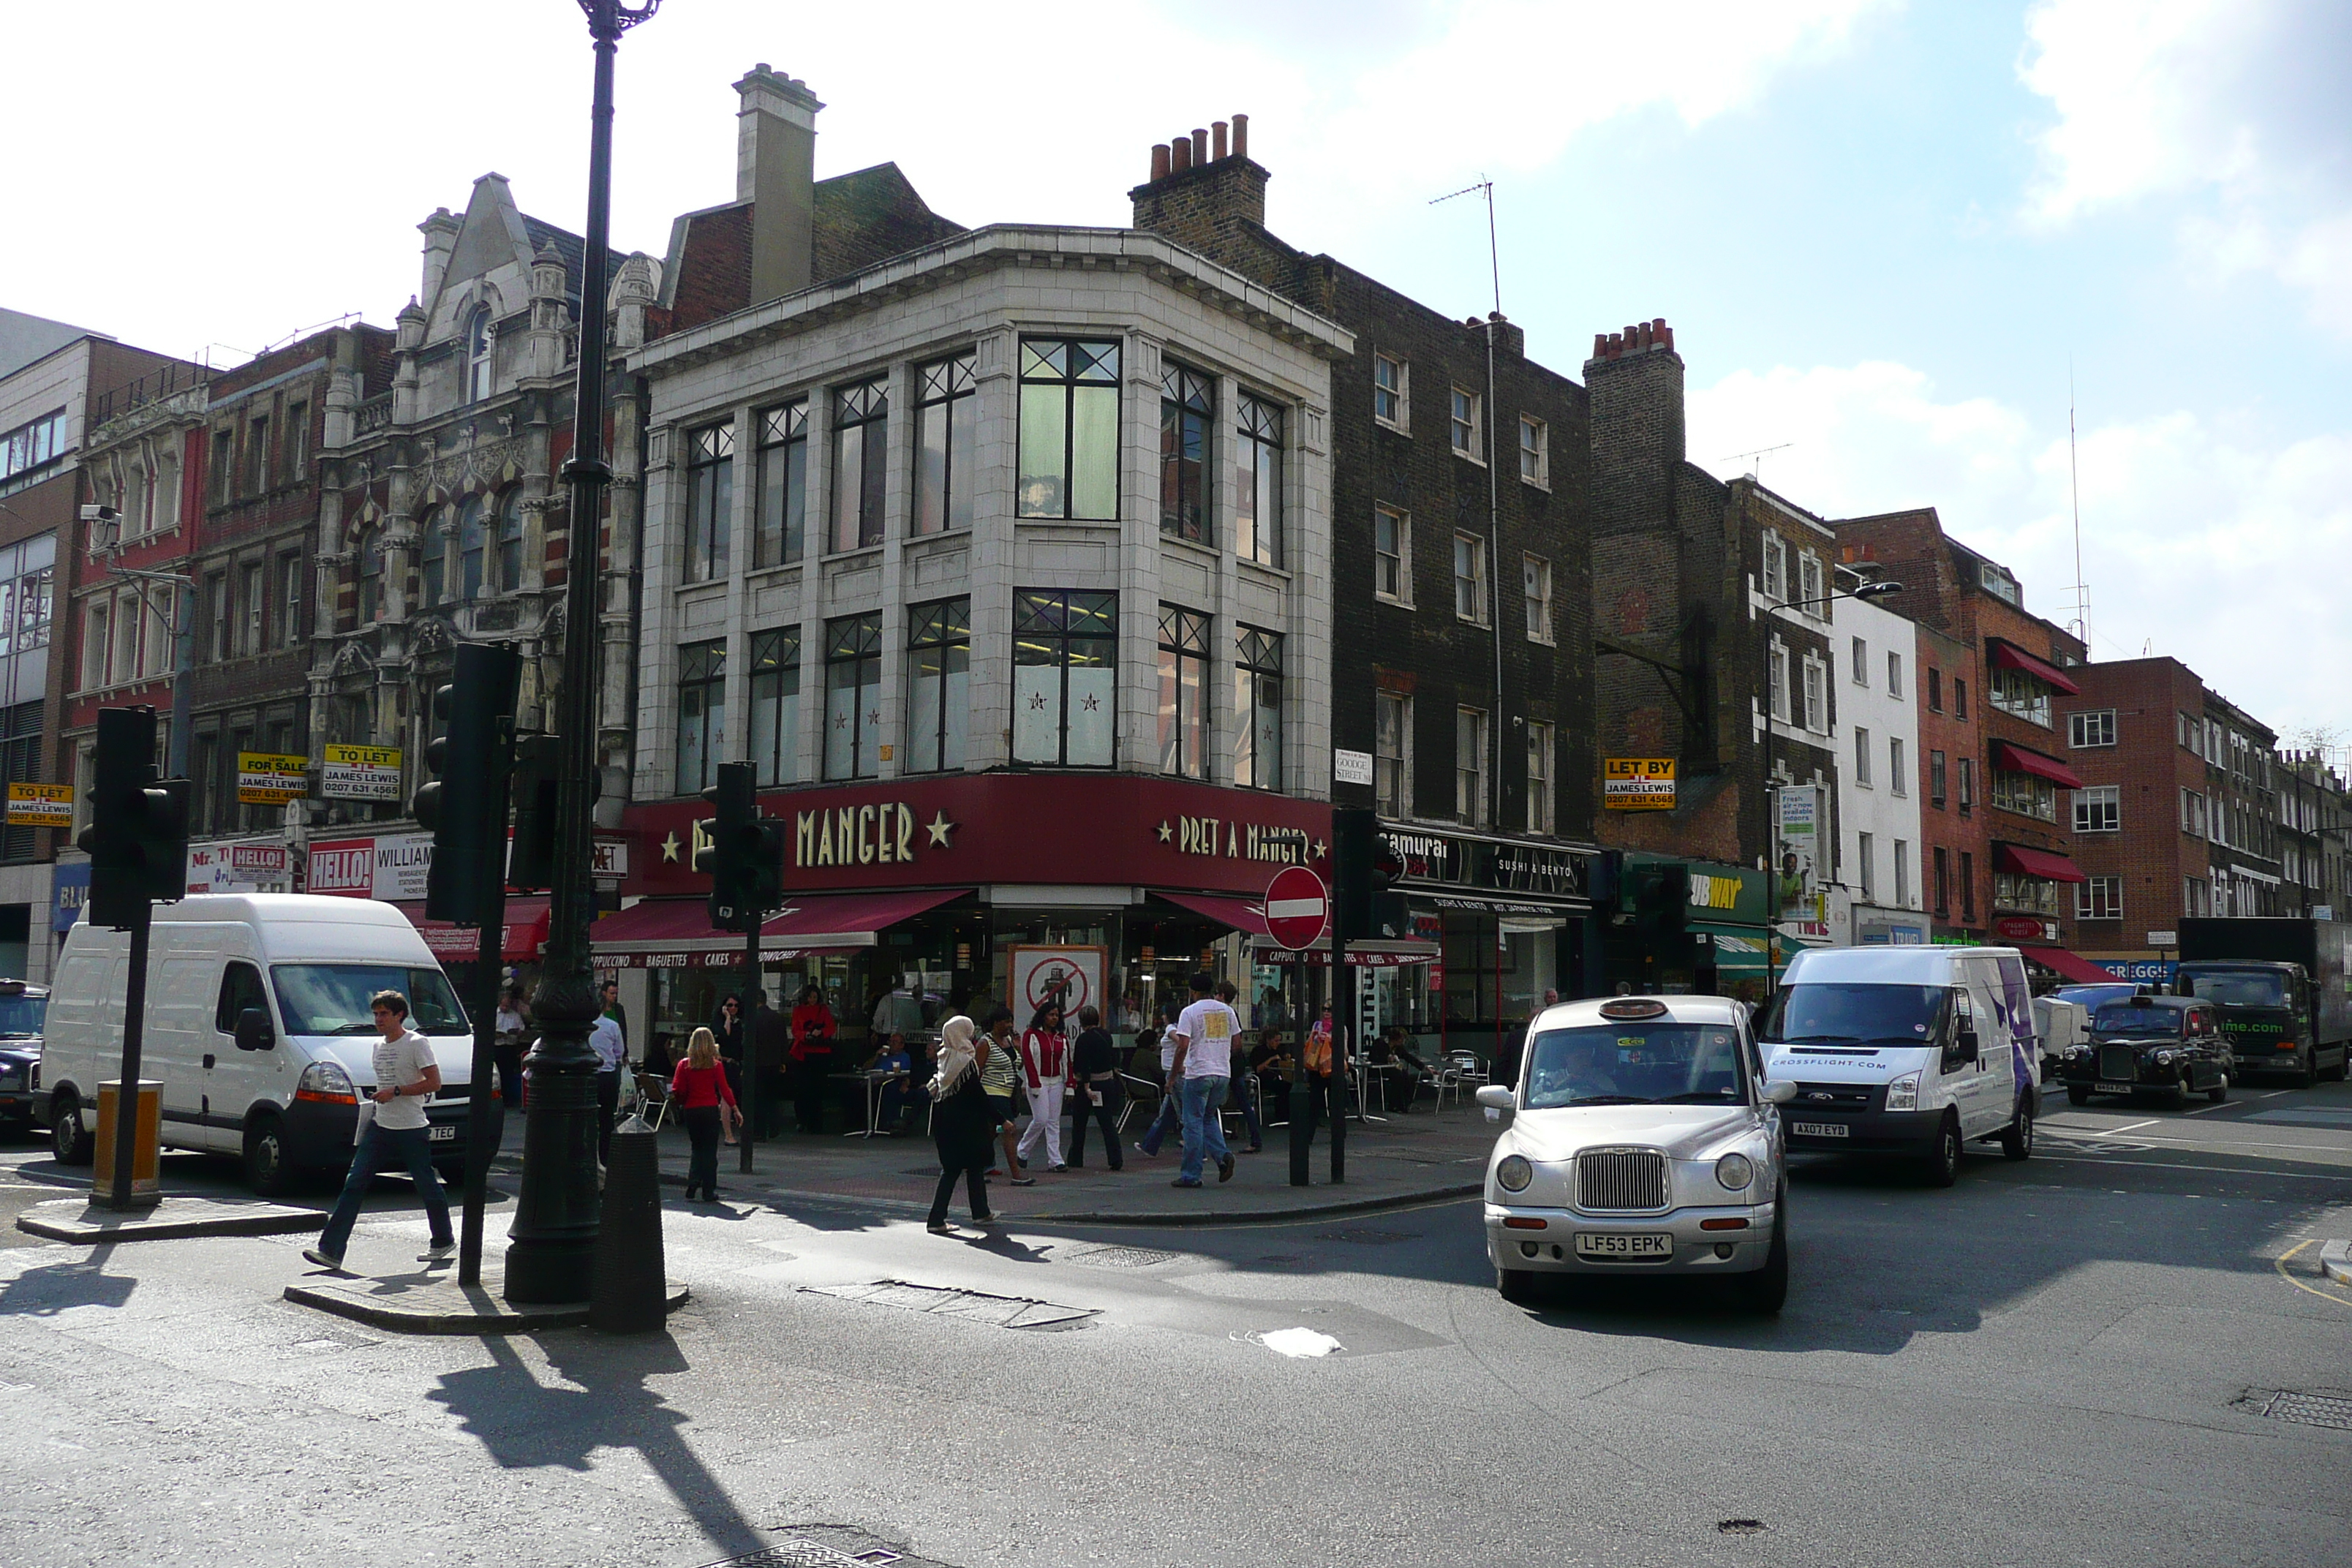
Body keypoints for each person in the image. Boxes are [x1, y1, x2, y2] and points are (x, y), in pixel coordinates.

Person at [304, 990, 455, 1272]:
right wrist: (382, 1096)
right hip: (380, 1126)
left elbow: (434, 1083)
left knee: (426, 1184)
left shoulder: (416, 1043)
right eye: (375, 1014)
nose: (378, 1019)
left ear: (399, 1015)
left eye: (384, 1013)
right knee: (354, 1183)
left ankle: (443, 1239)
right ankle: (331, 1251)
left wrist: (396, 1091)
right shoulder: (378, 1046)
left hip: (411, 1127)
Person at [924, 1015, 997, 1233]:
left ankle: (981, 1213)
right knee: (956, 1170)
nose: (972, 1035)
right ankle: (936, 1219)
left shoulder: (944, 1059)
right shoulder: (965, 1062)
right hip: (966, 1125)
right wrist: (1001, 1118)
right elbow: (978, 1096)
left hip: (944, 1123)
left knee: (968, 1168)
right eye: (968, 1031)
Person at [1166, 973, 1237, 1188]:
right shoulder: (1228, 1011)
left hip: (1198, 1073)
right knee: (1208, 1118)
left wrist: (1172, 1075)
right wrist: (1221, 1056)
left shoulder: (1190, 1012)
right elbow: (1237, 1044)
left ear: (1193, 991)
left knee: (1192, 1123)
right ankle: (1223, 1156)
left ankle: (1191, 1174)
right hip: (1222, 1073)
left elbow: (1183, 1046)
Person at [669, 1026, 739, 1202]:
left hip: (691, 1110)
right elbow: (725, 1089)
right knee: (709, 1151)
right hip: (709, 1109)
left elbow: (677, 1089)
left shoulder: (684, 1065)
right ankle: (708, 1190)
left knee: (697, 1148)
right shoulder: (716, 1066)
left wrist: (682, 1101)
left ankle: (693, 1184)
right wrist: (736, 1109)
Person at [1014, 1002, 1071, 1172]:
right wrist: (1034, 1083)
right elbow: (1029, 1060)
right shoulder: (1031, 1035)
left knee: (1054, 1122)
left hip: (1057, 1082)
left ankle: (1055, 1160)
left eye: (1057, 1015)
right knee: (1041, 1119)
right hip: (1039, 1081)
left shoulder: (1061, 1037)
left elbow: (1067, 1062)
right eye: (1051, 1015)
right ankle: (1022, 1150)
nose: (1054, 1018)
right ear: (1043, 1016)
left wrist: (1070, 1085)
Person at [1066, 1004, 1123, 1169]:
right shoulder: (1106, 1036)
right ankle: (1115, 1158)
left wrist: (1085, 1086)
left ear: (1081, 1021)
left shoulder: (1083, 1040)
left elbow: (1082, 1065)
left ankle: (1076, 1159)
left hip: (1089, 1085)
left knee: (1079, 1123)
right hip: (1107, 1082)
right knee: (1107, 1123)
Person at [979, 1008, 1030, 1183]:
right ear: (995, 1024)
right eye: (1006, 1022)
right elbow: (977, 1070)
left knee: (989, 1133)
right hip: (992, 1092)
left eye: (1011, 1022)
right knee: (1009, 1130)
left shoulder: (1009, 1041)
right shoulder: (985, 1043)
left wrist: (1018, 1048)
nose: (1009, 1026)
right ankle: (1016, 1175)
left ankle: (977, 1167)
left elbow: (1019, 1066)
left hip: (1008, 1093)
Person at [788, 982, 836, 1134]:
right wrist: (806, 1035)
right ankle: (802, 1119)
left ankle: (815, 1122)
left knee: (817, 1089)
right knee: (802, 1089)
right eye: (810, 997)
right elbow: (796, 1029)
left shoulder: (824, 1010)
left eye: (815, 997)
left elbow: (831, 1027)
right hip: (804, 1053)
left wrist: (820, 1034)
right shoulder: (798, 1010)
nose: (813, 1000)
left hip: (820, 1052)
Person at [1131, 1022, 1183, 1158]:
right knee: (1168, 1112)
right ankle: (1150, 1145)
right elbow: (1158, 1072)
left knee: (1174, 1113)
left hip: (1164, 1081)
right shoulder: (1147, 1056)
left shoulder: (1141, 1054)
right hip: (1150, 1086)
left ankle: (1150, 1145)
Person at [749, 989, 791, 1139]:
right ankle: (774, 1128)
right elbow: (783, 1041)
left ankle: (759, 1132)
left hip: (757, 1064)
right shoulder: (777, 1018)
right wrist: (783, 1061)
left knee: (758, 1099)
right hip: (774, 1063)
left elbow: (748, 1043)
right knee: (772, 1098)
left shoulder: (752, 1018)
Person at [590, 996, 627, 1168]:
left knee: (585, 1117)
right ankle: (605, 1158)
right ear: (604, 1008)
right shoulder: (612, 1026)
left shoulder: (583, 1028)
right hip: (607, 1075)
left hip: (587, 1077)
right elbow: (619, 1052)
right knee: (607, 1120)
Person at [492, 984, 529, 1109]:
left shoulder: (515, 1015)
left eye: (507, 1006)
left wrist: (517, 1033)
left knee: (508, 1074)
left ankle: (508, 1099)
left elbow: (522, 1029)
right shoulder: (494, 1014)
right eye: (503, 1005)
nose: (505, 1008)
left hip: (510, 1047)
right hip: (497, 1047)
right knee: (498, 1073)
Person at [711, 992, 747, 1108]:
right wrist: (727, 1017)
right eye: (730, 1005)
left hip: (736, 1062)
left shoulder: (739, 1023)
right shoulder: (718, 1022)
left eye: (736, 1005)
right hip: (723, 1061)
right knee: (726, 1091)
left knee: (736, 1091)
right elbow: (725, 1035)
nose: (733, 1008)